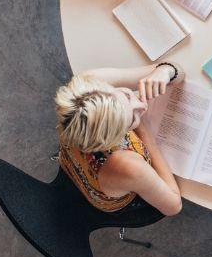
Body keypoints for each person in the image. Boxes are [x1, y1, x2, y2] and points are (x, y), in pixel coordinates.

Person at [54, 62, 184, 216]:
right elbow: (174, 206)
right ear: (112, 140)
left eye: (127, 95)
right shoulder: (128, 165)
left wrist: (165, 71)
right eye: (132, 119)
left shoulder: (88, 84)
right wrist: (144, 130)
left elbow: (177, 70)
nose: (142, 106)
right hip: (111, 197)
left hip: (72, 161)